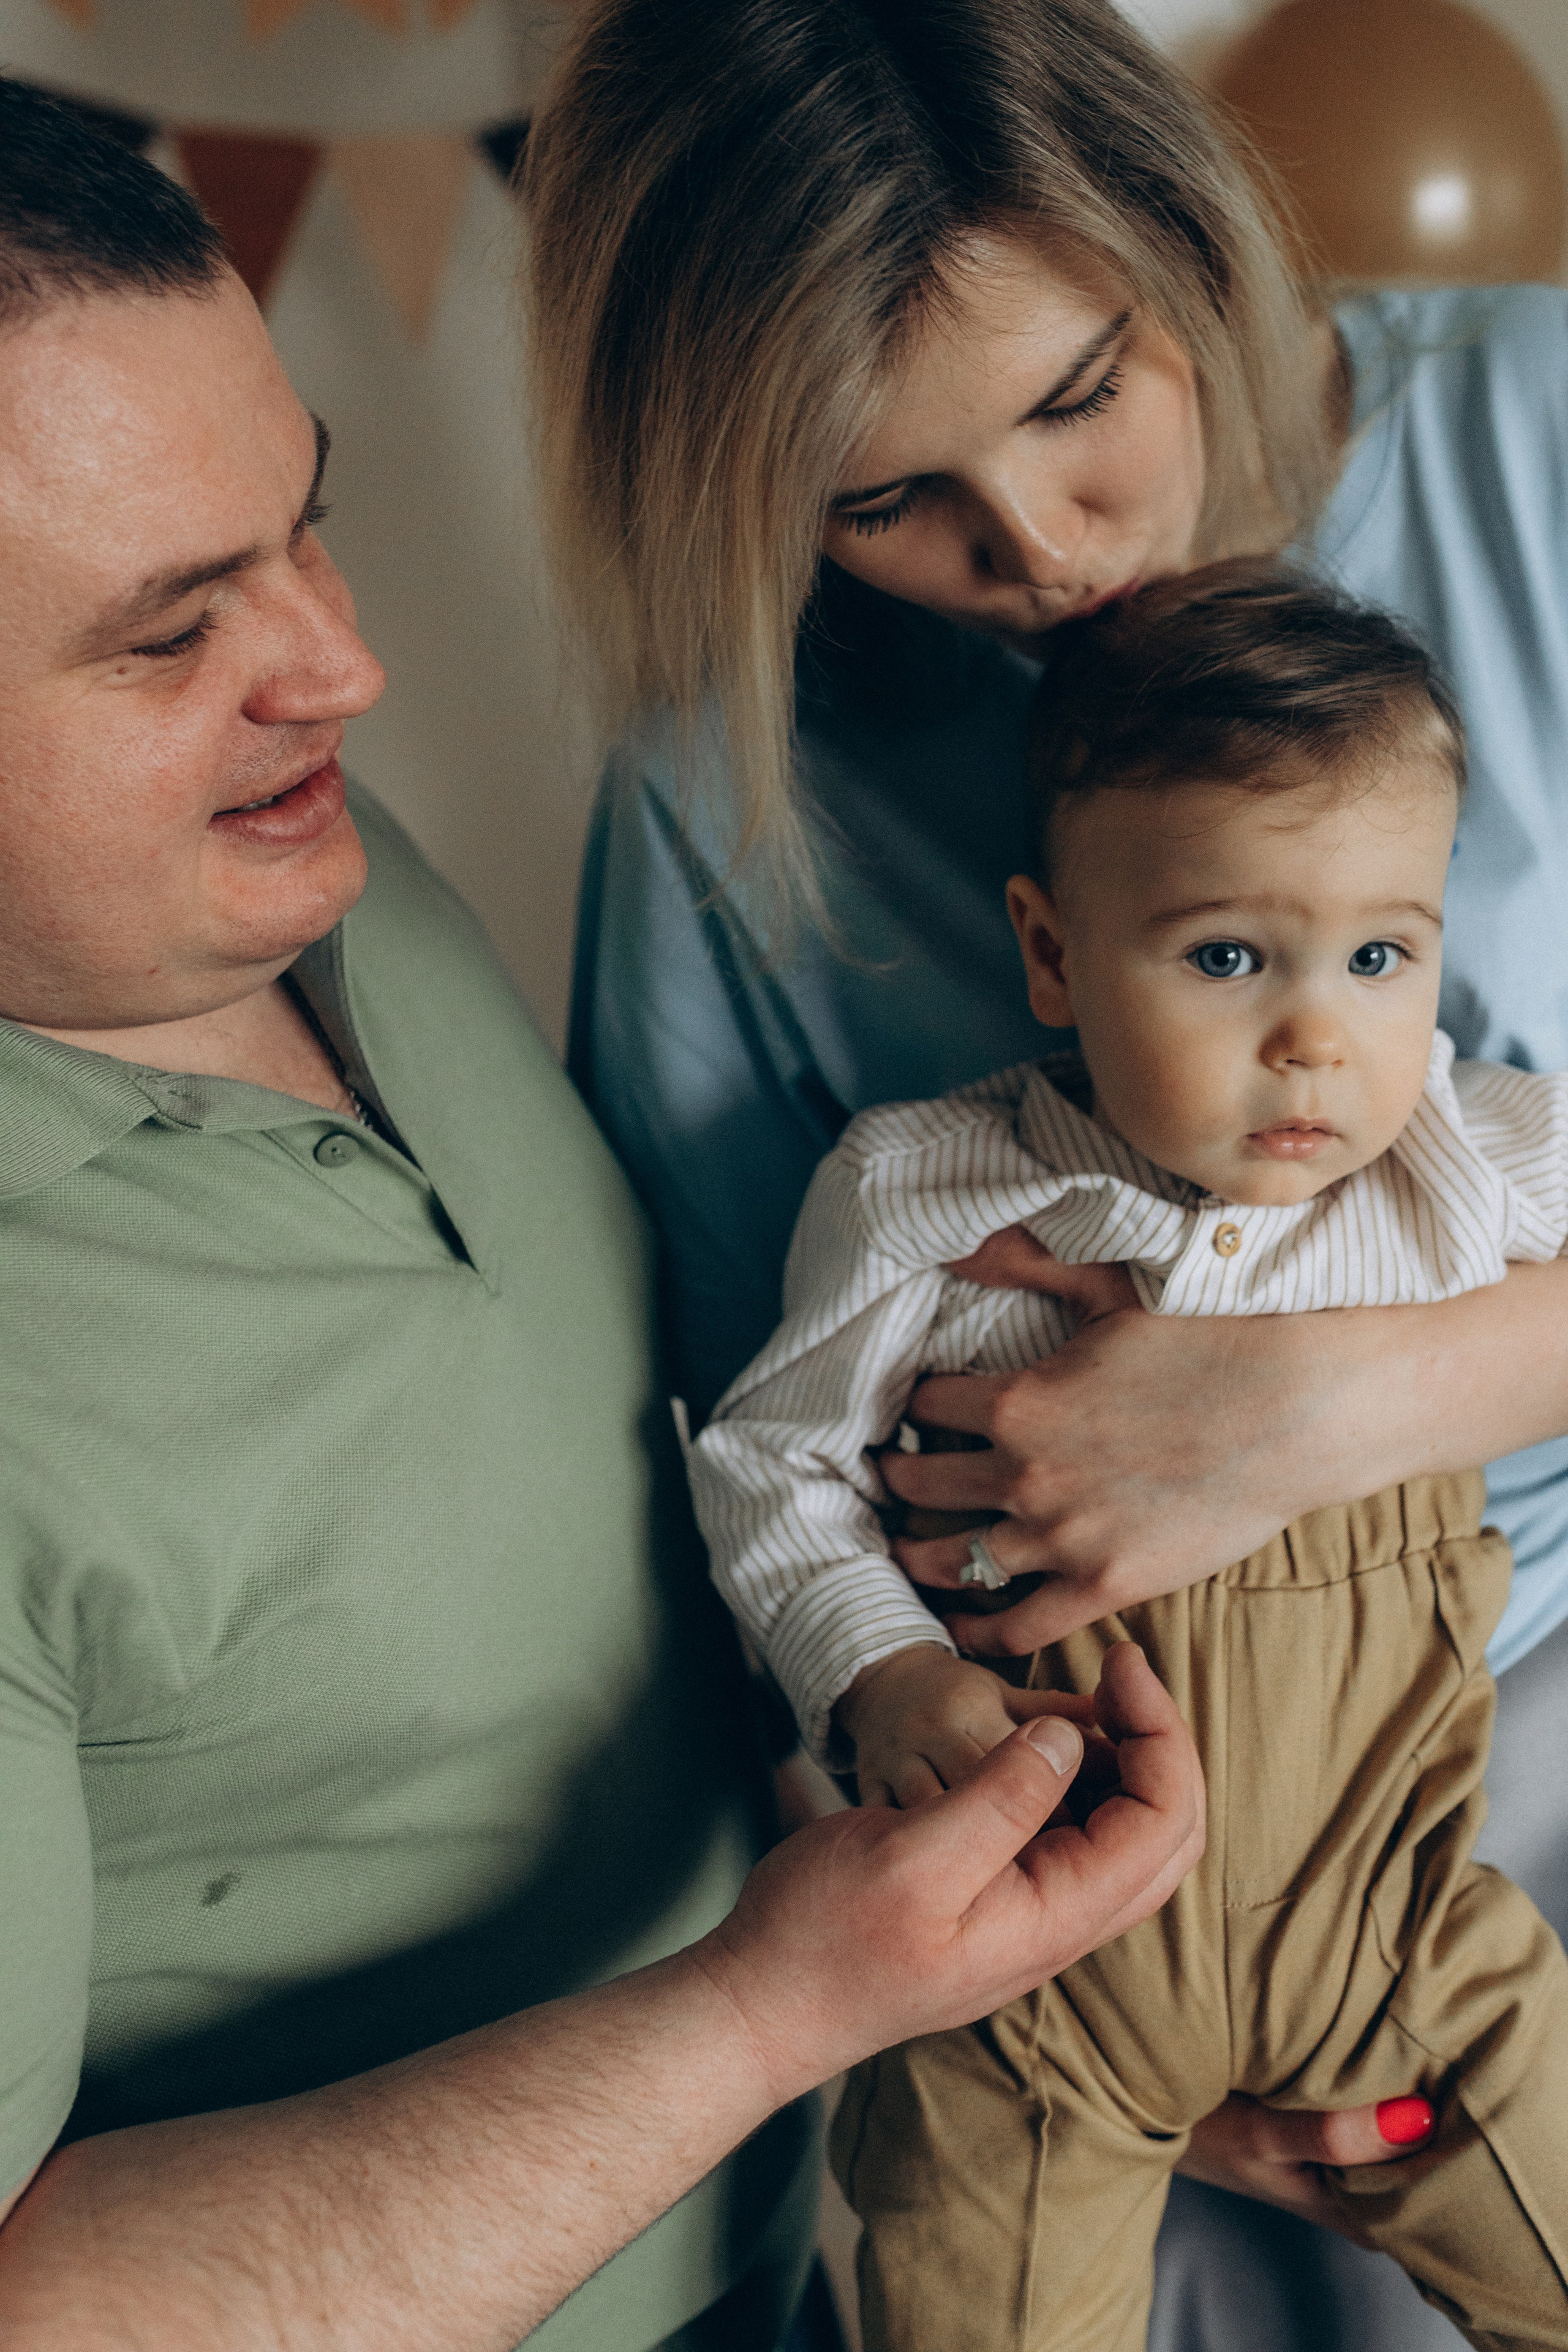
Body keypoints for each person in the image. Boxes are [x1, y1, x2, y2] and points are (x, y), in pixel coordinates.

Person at [0, 80, 1207, 2352]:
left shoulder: (285, 882)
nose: (339, 671)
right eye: (169, 638)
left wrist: (1079, 1997)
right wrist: (772, 2013)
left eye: (304, 531)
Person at [528, 1, 1568, 2337]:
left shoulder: (1543, 438)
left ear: (1173, 219)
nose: (1039, 547)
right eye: (883, 498)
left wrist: (1328, 1408)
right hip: (1080, 1813)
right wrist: (1118, 2030)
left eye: (1083, 393)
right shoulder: (728, 791)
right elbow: (734, 1465)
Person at [690, 564, 1568, 2350]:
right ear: (1049, 951)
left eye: (1383, 955)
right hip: (1032, 1984)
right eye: (1228, 956)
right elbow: (772, 1467)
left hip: (1406, 1949)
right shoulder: (932, 1188)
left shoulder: (1467, 1168)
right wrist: (888, 1673)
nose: (1318, 1033)